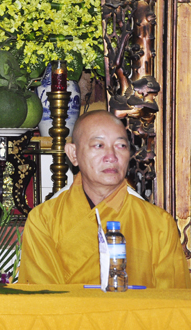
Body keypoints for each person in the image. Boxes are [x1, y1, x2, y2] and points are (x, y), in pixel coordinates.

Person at [18, 110, 191, 288]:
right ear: (73, 154)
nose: (111, 157)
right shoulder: (44, 220)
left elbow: (172, 300)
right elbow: (43, 299)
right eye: (99, 145)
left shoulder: (159, 224)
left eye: (121, 146)